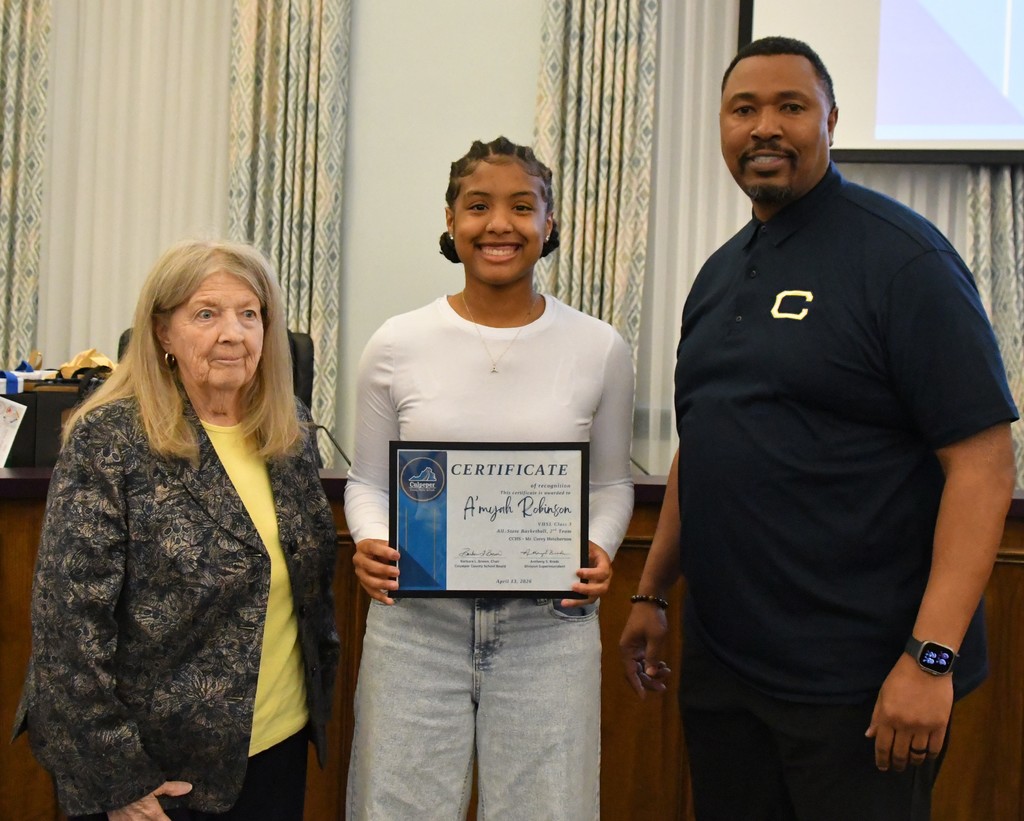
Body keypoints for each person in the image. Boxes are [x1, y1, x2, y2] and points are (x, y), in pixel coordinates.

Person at [619, 36, 1019, 821]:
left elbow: (984, 465)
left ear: (831, 120)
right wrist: (652, 590)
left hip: (863, 686)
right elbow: (704, 447)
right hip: (728, 669)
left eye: (790, 106)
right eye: (744, 108)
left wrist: (929, 659)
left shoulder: (904, 261)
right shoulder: (721, 272)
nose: (765, 126)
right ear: (723, 129)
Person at [344, 136, 634, 819]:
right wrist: (371, 540)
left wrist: (600, 548)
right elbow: (368, 483)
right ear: (450, 221)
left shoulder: (600, 347)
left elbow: (612, 486)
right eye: (478, 206)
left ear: (549, 223)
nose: (499, 224)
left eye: (521, 206)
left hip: (549, 627)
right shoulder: (396, 343)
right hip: (416, 623)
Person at [14, 240, 340, 821]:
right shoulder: (110, 440)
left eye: (249, 313)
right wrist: (118, 783)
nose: (233, 334)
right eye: (206, 314)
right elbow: (69, 629)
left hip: (274, 748)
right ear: (163, 332)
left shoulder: (287, 431)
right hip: (157, 774)